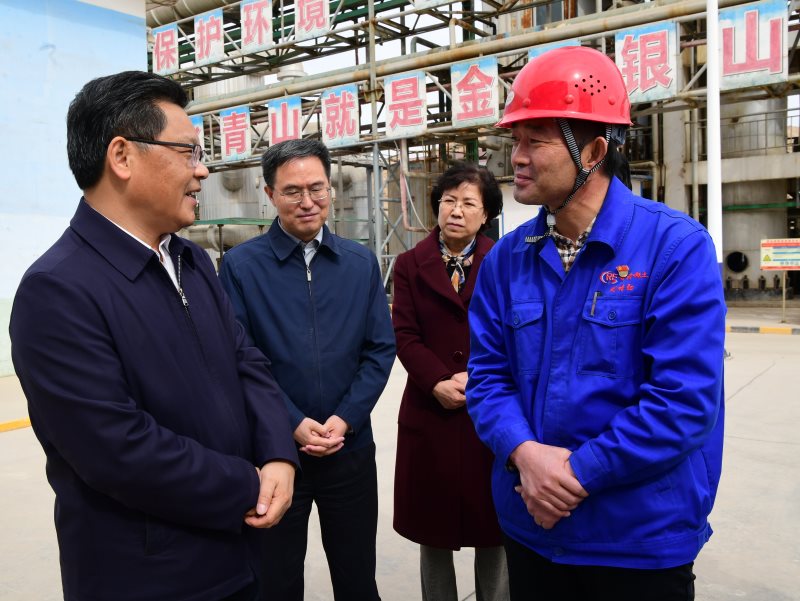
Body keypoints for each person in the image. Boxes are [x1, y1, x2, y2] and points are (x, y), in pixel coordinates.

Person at [9, 71, 299, 601]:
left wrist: (278, 453)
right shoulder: (58, 290)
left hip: (241, 553)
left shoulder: (191, 260)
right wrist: (247, 483)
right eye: (188, 152)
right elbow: (118, 449)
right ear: (122, 156)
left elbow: (245, 360)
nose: (202, 169)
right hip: (153, 575)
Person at [466, 46, 726, 601]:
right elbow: (487, 377)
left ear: (594, 150)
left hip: (636, 541)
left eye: (535, 141)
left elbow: (683, 400)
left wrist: (577, 473)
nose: (516, 157)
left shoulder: (675, 248)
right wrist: (525, 454)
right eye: (515, 140)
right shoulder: (507, 259)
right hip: (532, 528)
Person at [218, 138, 396, 601]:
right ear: (270, 193)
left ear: (330, 188)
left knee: (357, 579)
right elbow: (239, 357)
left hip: (349, 449)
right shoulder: (241, 267)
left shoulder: (359, 263)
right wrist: (291, 422)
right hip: (276, 454)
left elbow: (379, 350)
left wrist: (346, 418)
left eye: (317, 188)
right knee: (275, 582)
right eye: (292, 191)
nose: (308, 201)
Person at [392, 162, 508, 601]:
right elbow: (405, 334)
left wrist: (478, 378)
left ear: (486, 214)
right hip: (430, 409)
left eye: (468, 203)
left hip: (489, 407)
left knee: (494, 528)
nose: (456, 211)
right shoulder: (409, 264)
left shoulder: (504, 260)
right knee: (433, 530)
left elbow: (513, 333)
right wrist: (437, 380)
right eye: (448, 201)